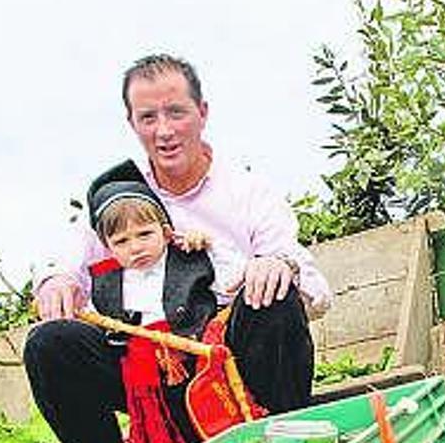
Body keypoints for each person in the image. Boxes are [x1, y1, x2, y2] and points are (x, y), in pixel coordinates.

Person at [24, 54, 332, 443]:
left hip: (227, 363)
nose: (164, 131)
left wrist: (276, 265)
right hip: (145, 373)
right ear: (132, 123)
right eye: (148, 118)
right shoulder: (121, 195)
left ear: (202, 113)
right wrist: (55, 280)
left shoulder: (248, 190)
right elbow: (63, 253)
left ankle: (289, 435)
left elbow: (317, 293)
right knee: (48, 343)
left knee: (275, 291)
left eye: (176, 112)